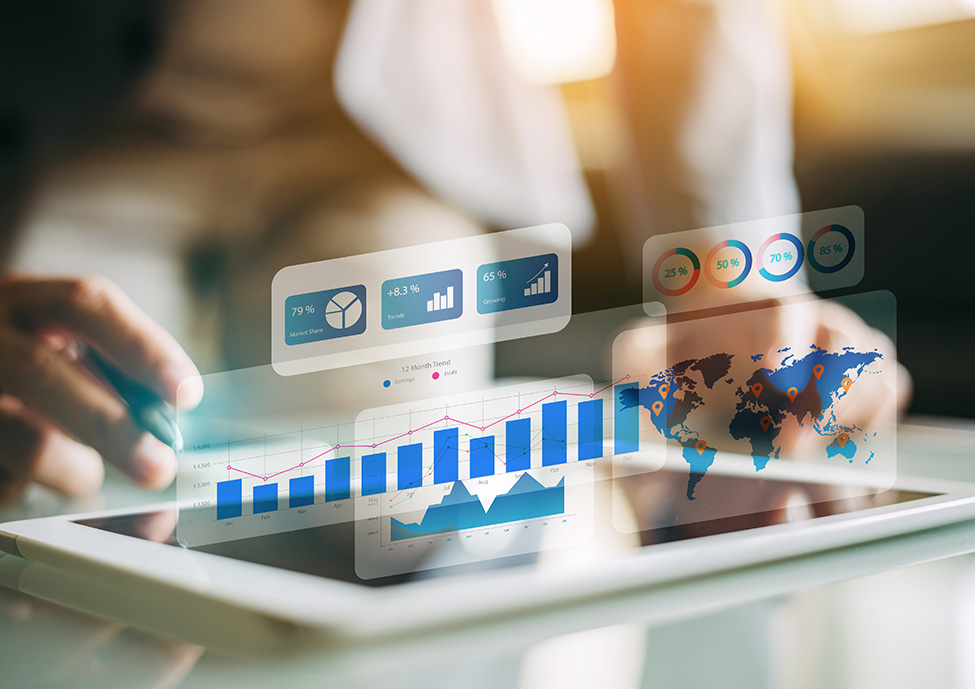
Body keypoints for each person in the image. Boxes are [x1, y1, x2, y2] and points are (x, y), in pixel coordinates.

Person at [0, 0, 908, 505]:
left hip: (386, 136)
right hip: (78, 127)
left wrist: (728, 279)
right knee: (42, 469)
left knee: (391, 507)